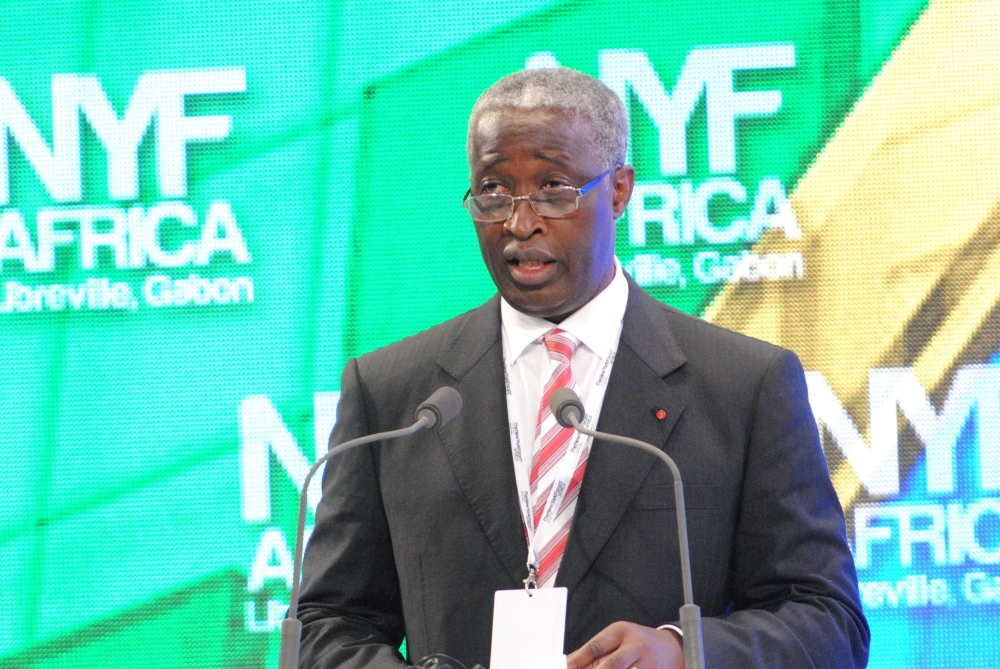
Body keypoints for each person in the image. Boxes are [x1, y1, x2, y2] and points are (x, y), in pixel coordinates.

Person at [297, 67, 869, 669]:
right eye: (494, 190)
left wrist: (684, 652)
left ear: (619, 190)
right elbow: (329, 623)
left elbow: (825, 620)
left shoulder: (743, 385)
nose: (520, 223)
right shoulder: (392, 394)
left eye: (553, 188)